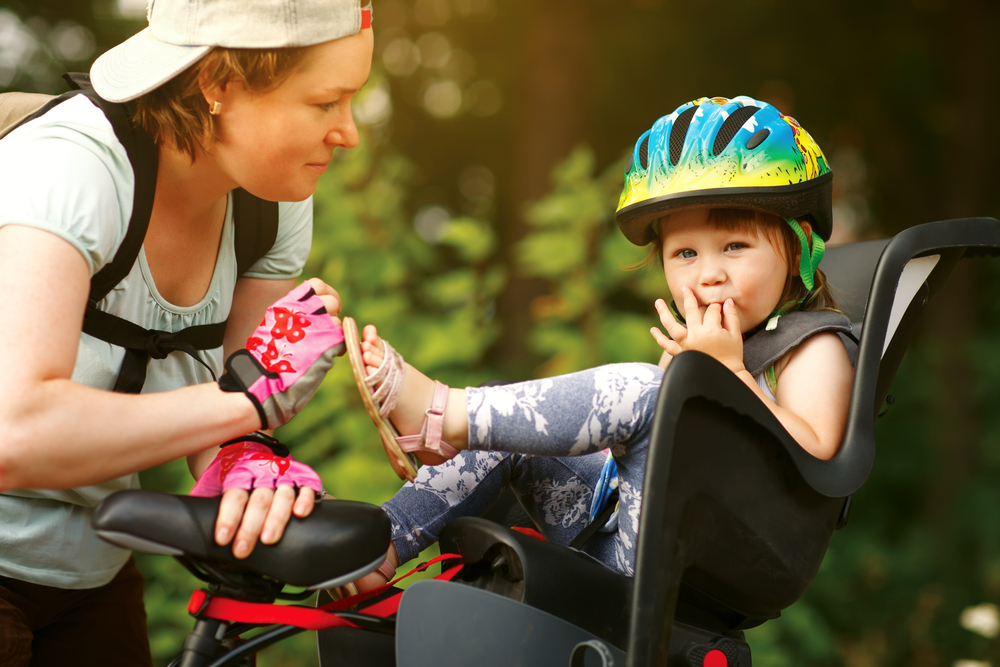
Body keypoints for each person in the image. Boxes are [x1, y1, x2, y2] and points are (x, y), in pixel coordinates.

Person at [346, 95, 855, 591]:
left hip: (719, 555)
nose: (708, 275)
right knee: (511, 420)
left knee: (643, 389)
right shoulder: (703, 344)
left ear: (797, 247)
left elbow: (817, 454)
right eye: (684, 254)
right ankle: (379, 545)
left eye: (734, 247)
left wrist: (732, 377)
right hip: (620, 527)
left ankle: (440, 413)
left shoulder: (814, 345)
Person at [0, 0, 373, 664]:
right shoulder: (74, 169)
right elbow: (16, 433)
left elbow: (224, 425)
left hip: (93, 573)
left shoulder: (272, 204)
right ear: (219, 84)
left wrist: (255, 467)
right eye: (325, 102)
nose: (348, 133)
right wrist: (252, 400)